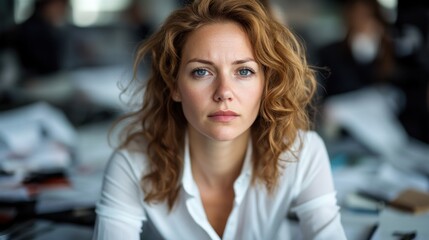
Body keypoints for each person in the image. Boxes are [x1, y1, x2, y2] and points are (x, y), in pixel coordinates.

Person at [93, 0, 346, 239]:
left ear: (266, 84)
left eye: (244, 71)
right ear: (175, 86)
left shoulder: (304, 153)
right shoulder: (131, 164)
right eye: (201, 71)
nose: (224, 92)